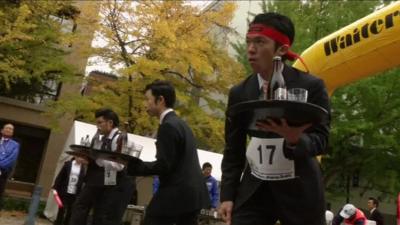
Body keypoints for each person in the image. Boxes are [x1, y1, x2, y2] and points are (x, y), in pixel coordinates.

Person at [219, 12, 331, 225]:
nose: (251, 49)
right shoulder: (239, 92)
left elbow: (322, 140)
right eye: (249, 41)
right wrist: (227, 195)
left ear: (282, 50)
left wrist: (296, 139)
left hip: (300, 188)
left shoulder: (312, 86)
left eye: (260, 42)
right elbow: (233, 149)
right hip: (255, 187)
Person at [124, 80, 210, 225]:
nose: (146, 104)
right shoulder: (181, 124)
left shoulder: (168, 126)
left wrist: (133, 165)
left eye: (148, 99)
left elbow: (164, 166)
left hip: (176, 194)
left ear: (160, 100)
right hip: (193, 195)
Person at [68, 108, 135, 225]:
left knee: (95, 210)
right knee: (83, 206)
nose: (97, 126)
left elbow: (119, 165)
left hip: (110, 181)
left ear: (110, 123)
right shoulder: (100, 137)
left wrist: (97, 159)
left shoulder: (120, 138)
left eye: (99, 122)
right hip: (97, 179)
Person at [52, 156, 88, 225]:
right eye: (80, 157)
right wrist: (55, 187)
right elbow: (60, 176)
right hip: (64, 191)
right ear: (76, 156)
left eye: (83, 158)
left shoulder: (83, 167)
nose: (81, 158)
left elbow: (83, 180)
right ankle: (58, 223)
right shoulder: (68, 164)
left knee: (70, 211)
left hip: (74, 193)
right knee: (62, 209)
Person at [0, 123, 20, 210]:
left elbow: (12, 159)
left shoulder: (15, 145)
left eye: (11, 129)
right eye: (7, 128)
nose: (9, 130)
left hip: (3, 172)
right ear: (2, 130)